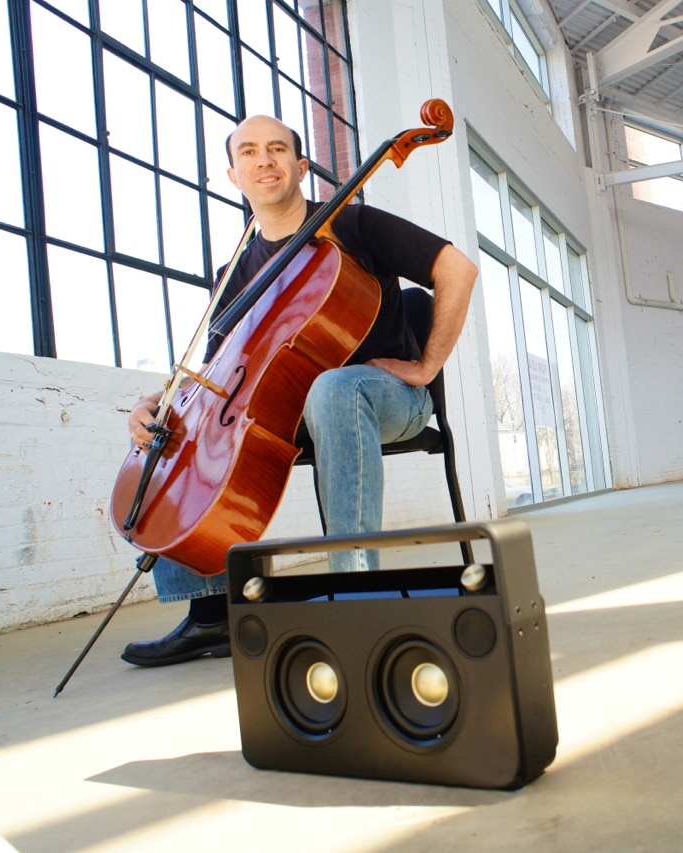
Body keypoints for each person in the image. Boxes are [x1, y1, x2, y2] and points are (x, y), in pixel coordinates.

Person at [120, 115, 477, 667]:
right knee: (175, 435)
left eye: (278, 149)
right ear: (234, 175)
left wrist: (428, 365)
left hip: (384, 399)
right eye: (250, 152)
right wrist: (158, 405)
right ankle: (210, 616)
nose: (265, 160)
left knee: (333, 388)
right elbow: (218, 369)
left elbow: (458, 269)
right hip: (292, 412)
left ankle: (357, 597)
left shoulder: (351, 225)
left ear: (300, 167)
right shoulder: (235, 271)